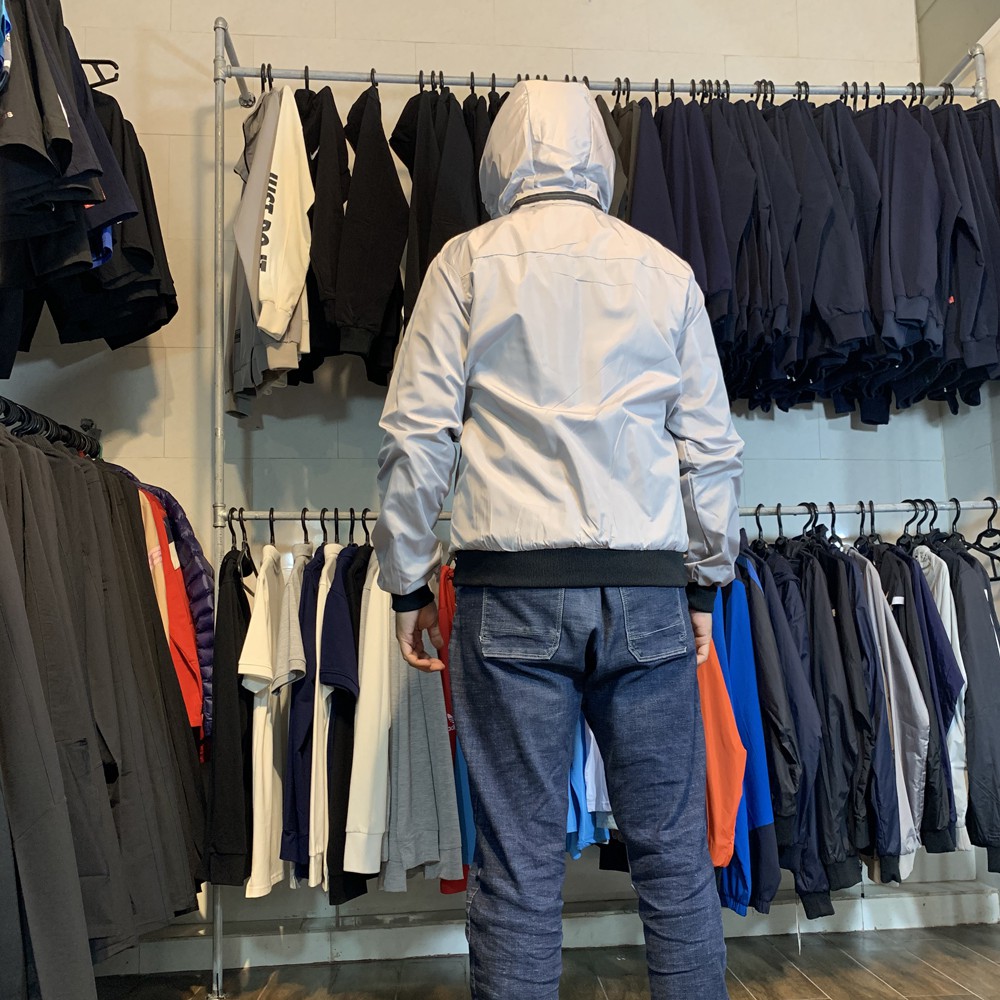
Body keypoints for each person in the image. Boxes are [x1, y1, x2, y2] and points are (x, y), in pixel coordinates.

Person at [373, 79, 744, 1000]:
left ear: (500, 158)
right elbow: (710, 450)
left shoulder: (464, 263)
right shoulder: (665, 272)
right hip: (648, 592)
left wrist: (408, 581)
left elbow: (416, 436)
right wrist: (705, 584)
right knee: (672, 856)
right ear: (602, 159)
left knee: (519, 864)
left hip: (509, 592)